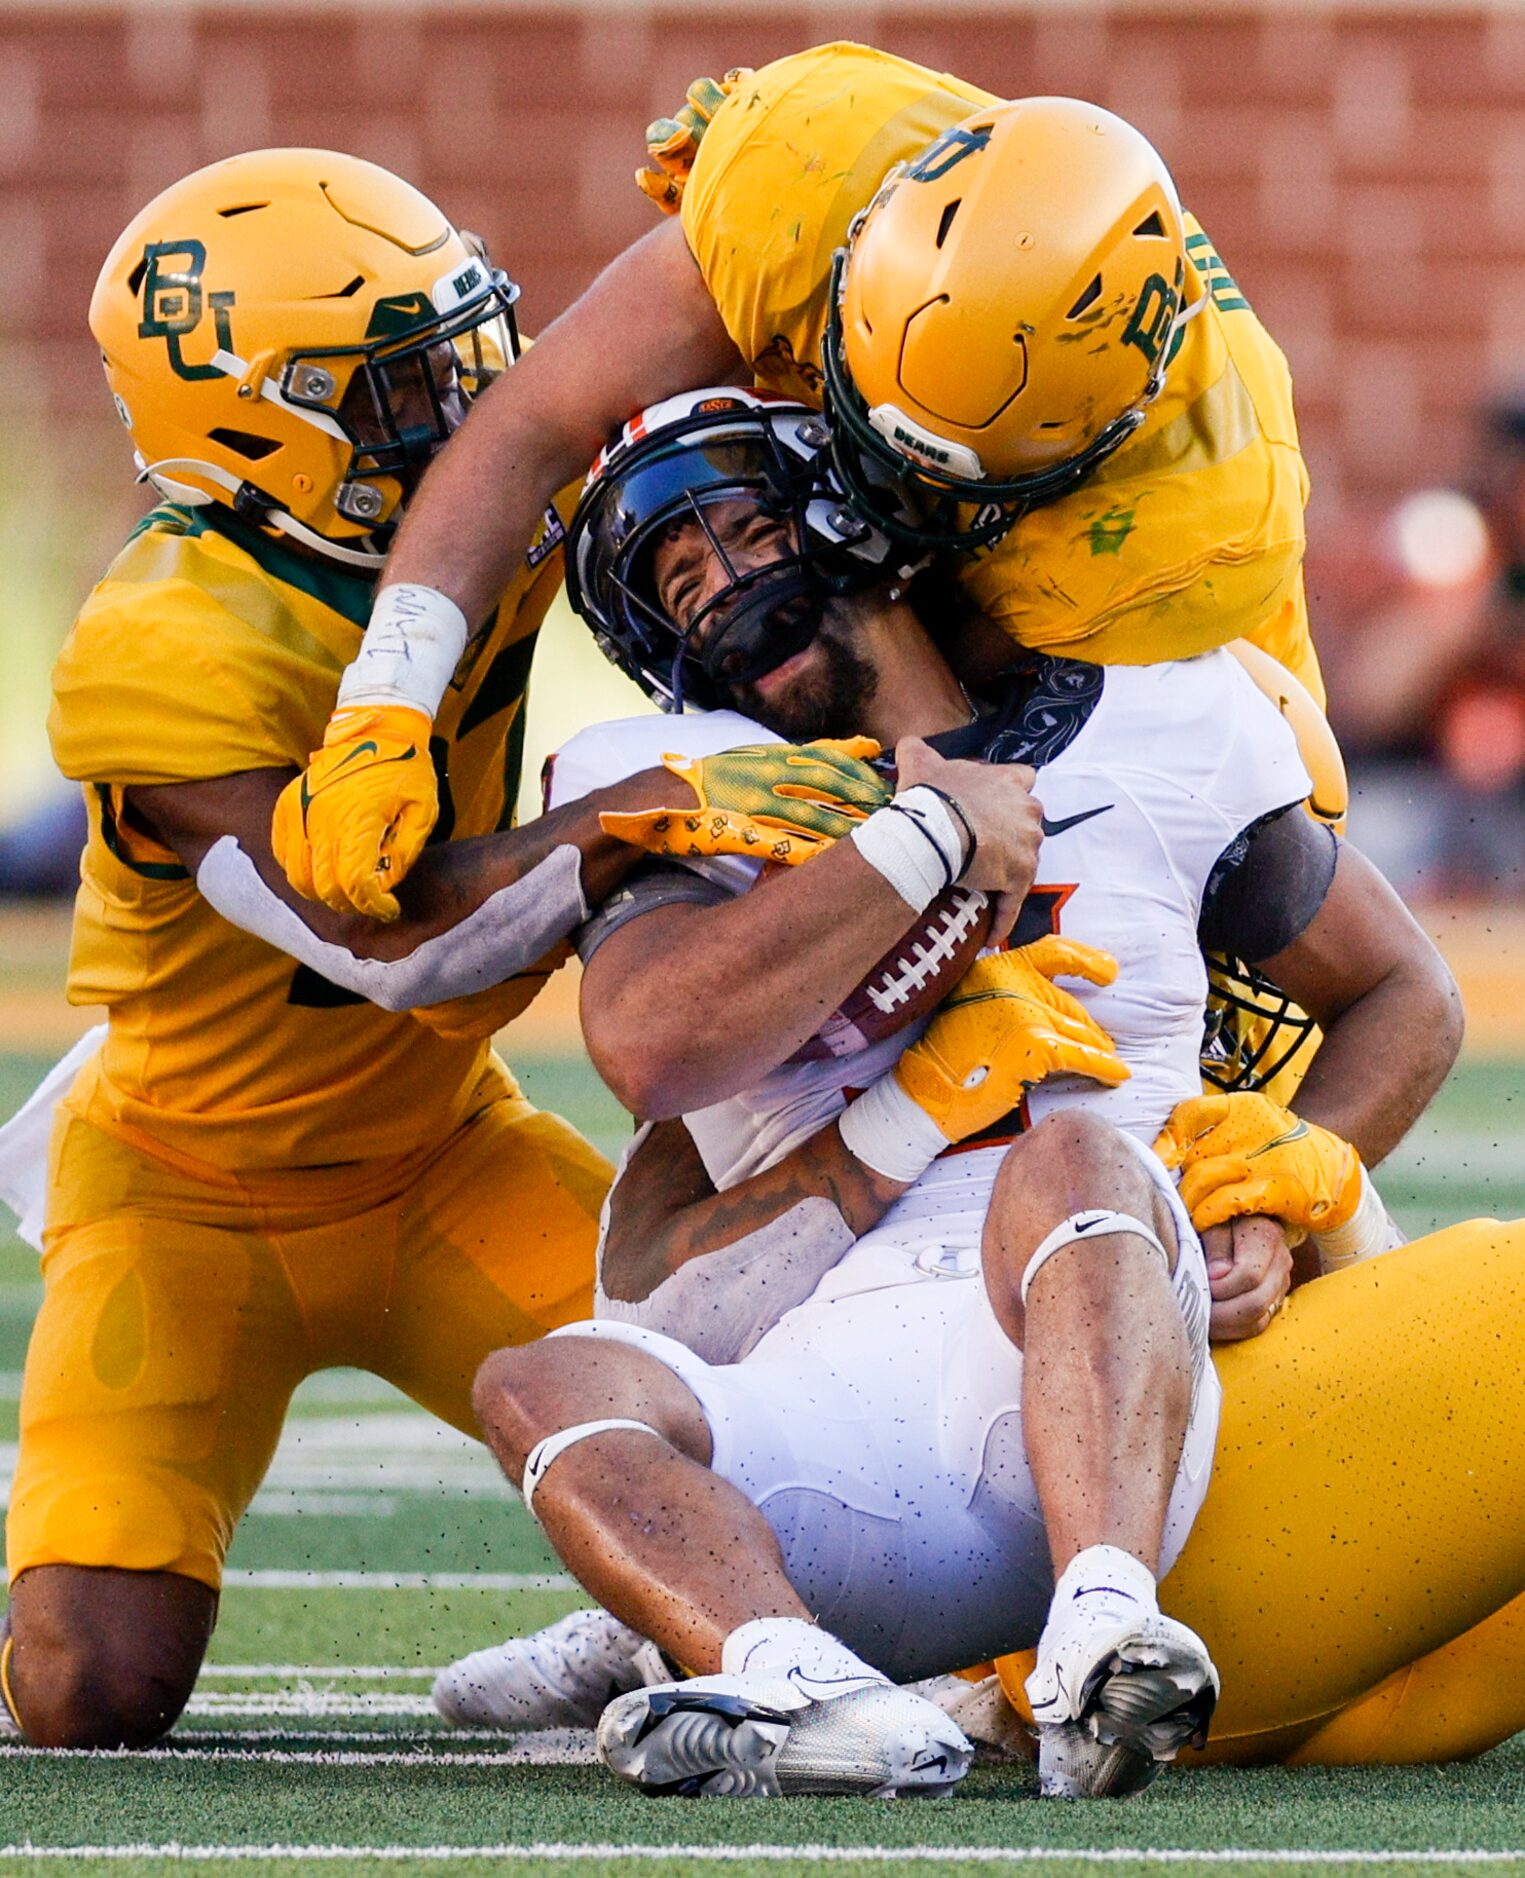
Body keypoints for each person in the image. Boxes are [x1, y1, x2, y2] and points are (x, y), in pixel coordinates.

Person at [445, 391, 1467, 1799]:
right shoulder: (689, 792)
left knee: (1075, 1157)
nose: (729, 593)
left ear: (855, 514)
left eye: (746, 531)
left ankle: (1103, 1625)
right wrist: (924, 843)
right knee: (537, 1378)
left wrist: (1276, 1182)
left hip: (1121, 1336)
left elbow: (1406, 992)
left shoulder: (1160, 714)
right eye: (680, 583)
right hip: (841, 1375)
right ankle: (789, 1677)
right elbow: (652, 1042)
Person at [0, 161, 888, 1751]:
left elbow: (670, 381)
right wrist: (648, 814)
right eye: (405, 382)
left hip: (435, 1154)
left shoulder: (480, 514)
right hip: (181, 1191)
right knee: (88, 1691)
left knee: (801, 1439)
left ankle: (674, 1632)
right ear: (264, 427)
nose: (472, 398)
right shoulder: (169, 650)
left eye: (471, 343)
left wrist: (789, 200)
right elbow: (390, 942)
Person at [267, 43, 1319, 927]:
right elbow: (540, 419)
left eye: (924, 465)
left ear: (1083, 451)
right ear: (869, 245)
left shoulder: (1184, 536)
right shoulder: (813, 167)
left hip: (1140, 603)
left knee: (1199, 853)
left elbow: (921, 713)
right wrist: (384, 704)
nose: (858, 475)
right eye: (855, 399)